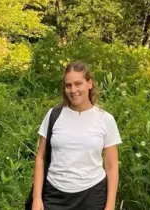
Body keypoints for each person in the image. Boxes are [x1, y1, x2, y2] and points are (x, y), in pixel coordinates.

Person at [31, 62, 122, 210]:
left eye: (78, 84)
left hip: (92, 196)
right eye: (68, 85)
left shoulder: (105, 120)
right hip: (54, 195)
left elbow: (112, 167)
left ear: (90, 83)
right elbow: (40, 157)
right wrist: (37, 198)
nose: (73, 90)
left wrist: (110, 206)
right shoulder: (53, 115)